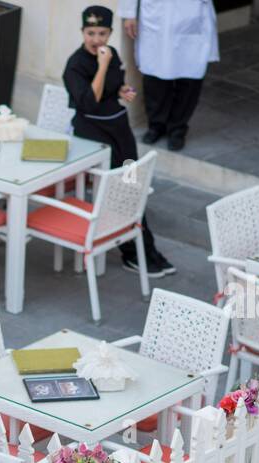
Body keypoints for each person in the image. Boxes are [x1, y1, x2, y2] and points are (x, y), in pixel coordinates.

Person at [62, 5, 176, 277]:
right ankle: (133, 253)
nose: (96, 39)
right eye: (91, 33)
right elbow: (89, 100)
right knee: (117, 189)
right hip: (94, 133)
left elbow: (113, 88)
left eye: (102, 33)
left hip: (119, 129)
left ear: (110, 33)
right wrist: (101, 67)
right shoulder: (76, 65)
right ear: (82, 32)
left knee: (131, 185)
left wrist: (124, 90)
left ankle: (145, 249)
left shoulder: (111, 55)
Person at [120, 0, 219, 151]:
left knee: (189, 76)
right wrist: (129, 14)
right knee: (154, 77)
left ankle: (177, 128)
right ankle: (156, 125)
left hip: (192, 14)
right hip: (156, 15)